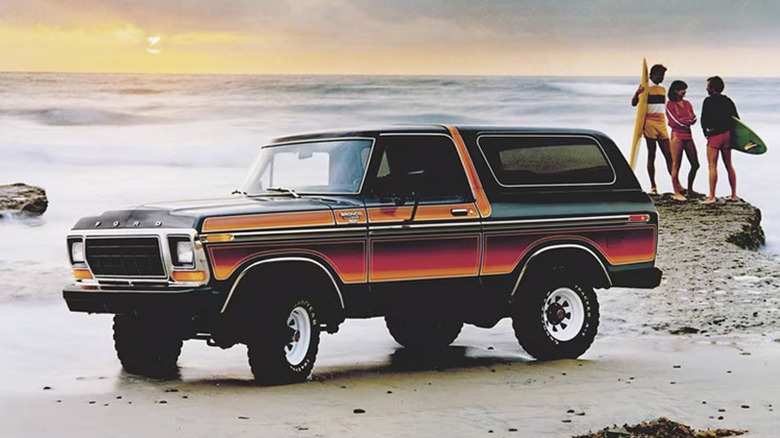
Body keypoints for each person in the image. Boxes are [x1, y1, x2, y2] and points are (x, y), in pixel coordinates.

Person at [632, 64, 673, 195]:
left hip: (661, 122)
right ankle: (653, 186)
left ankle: (676, 184)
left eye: (663, 75)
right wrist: (637, 93)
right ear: (653, 75)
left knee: (669, 155)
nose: (662, 78)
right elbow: (634, 103)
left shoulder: (662, 89)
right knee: (652, 154)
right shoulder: (645, 87)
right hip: (649, 122)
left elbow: (662, 107)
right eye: (661, 75)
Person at [700, 76, 739, 205]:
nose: (706, 88)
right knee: (729, 165)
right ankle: (733, 195)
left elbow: (704, 120)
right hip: (727, 136)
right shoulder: (728, 101)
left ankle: (711, 197)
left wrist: (706, 132)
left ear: (712, 88)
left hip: (715, 137)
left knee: (712, 166)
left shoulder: (708, 101)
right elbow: (736, 120)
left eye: (708, 86)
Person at [665, 80, 700, 201]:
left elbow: (694, 118)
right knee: (676, 165)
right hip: (677, 136)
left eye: (685, 89)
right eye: (682, 89)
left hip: (688, 136)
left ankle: (690, 190)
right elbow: (675, 121)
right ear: (675, 90)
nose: (684, 92)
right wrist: (686, 120)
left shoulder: (687, 103)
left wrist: (686, 120)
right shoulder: (670, 104)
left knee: (695, 164)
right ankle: (676, 192)